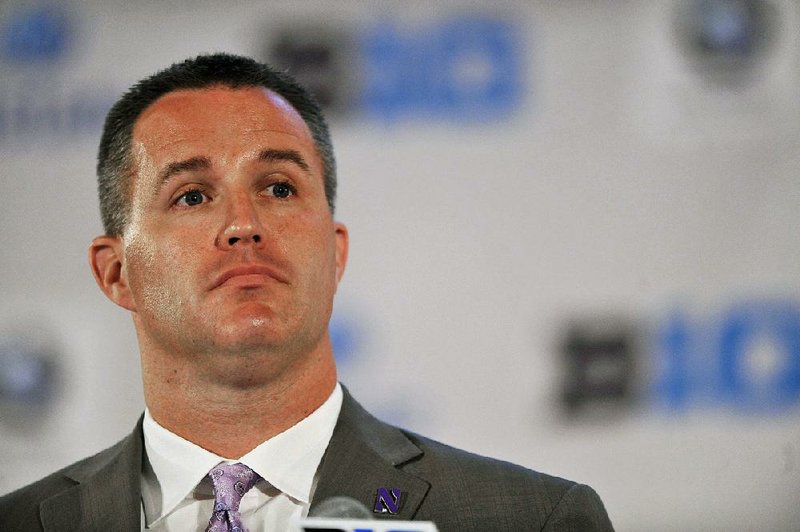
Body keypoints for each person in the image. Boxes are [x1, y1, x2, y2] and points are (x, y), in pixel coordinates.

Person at [0, 53, 614, 531]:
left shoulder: (528, 521)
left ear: (336, 250)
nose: (244, 224)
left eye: (279, 188)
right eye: (192, 195)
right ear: (116, 274)